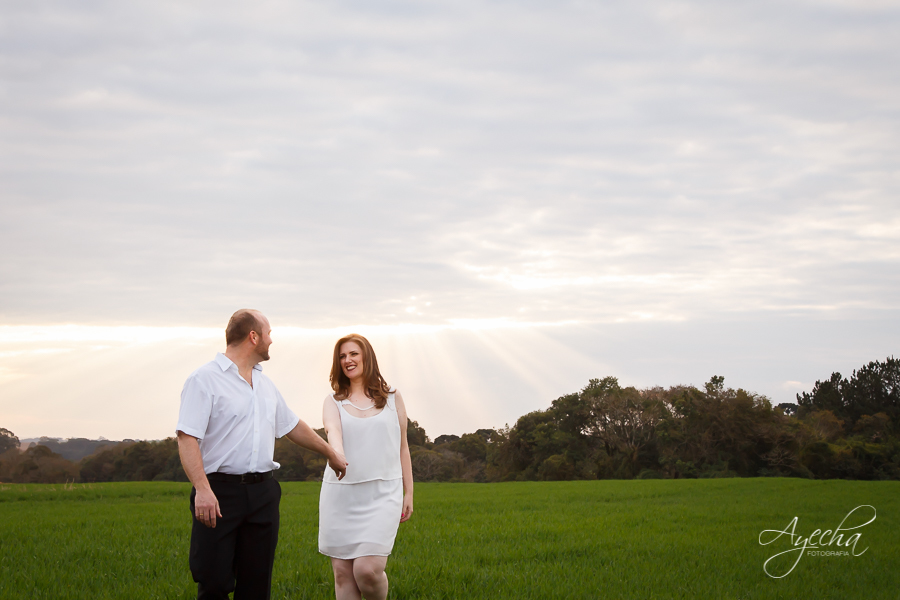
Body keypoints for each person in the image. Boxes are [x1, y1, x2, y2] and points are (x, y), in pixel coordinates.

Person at [176, 309, 348, 600]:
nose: (271, 340)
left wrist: (329, 452)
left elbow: (292, 425)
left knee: (256, 587)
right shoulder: (204, 380)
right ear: (253, 337)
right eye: (268, 333)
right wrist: (202, 489)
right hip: (219, 494)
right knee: (214, 582)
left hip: (263, 495)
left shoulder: (265, 384)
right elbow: (187, 437)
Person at [319, 334, 414, 600]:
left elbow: (402, 447)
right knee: (343, 574)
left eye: (353, 354)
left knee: (367, 570)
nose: (347, 360)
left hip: (382, 494)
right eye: (342, 356)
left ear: (366, 357)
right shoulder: (333, 401)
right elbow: (332, 431)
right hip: (341, 495)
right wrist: (336, 453)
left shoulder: (393, 398)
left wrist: (409, 492)